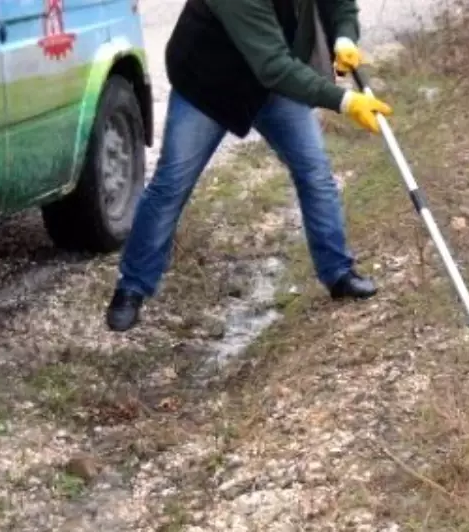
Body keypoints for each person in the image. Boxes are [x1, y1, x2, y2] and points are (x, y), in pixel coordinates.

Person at [105, 0, 394, 332]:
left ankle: (339, 274)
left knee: (315, 171)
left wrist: (344, 36)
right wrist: (344, 101)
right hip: (210, 85)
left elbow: (339, 4)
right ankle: (132, 286)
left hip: (276, 83)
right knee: (171, 184)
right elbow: (271, 64)